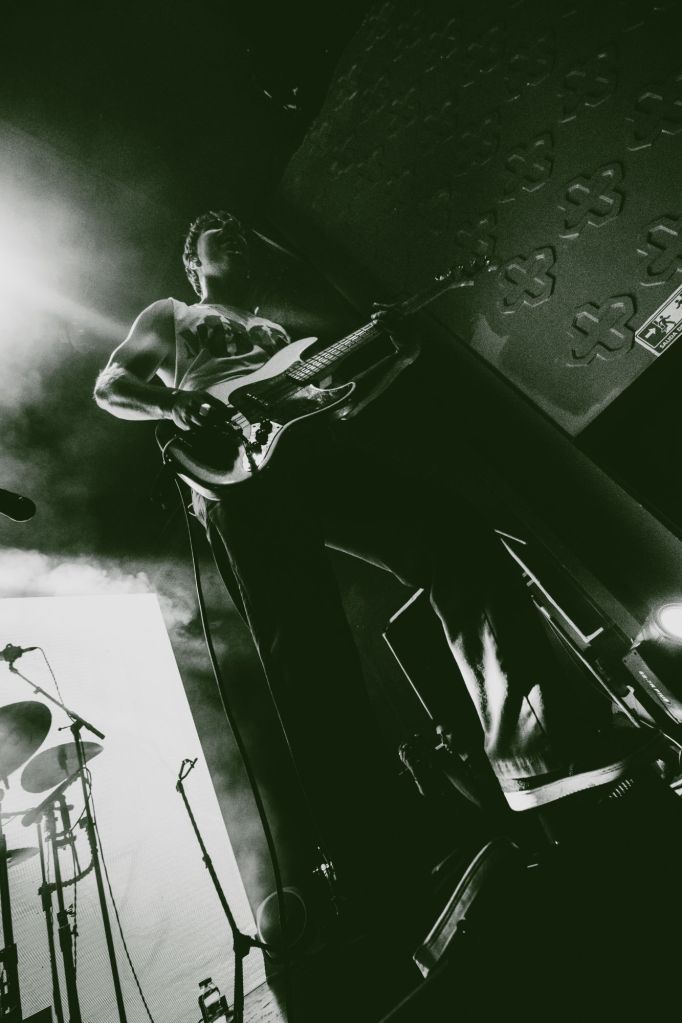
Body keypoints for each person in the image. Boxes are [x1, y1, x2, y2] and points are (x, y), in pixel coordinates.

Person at [94, 209, 660, 944]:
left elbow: (342, 403)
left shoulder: (280, 334)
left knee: (452, 534)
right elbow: (112, 384)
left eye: (238, 228)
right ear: (192, 263)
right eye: (214, 233)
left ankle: (538, 750)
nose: (232, 234)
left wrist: (392, 354)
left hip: (313, 453)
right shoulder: (172, 315)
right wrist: (174, 400)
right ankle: (383, 863)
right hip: (234, 472)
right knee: (308, 644)